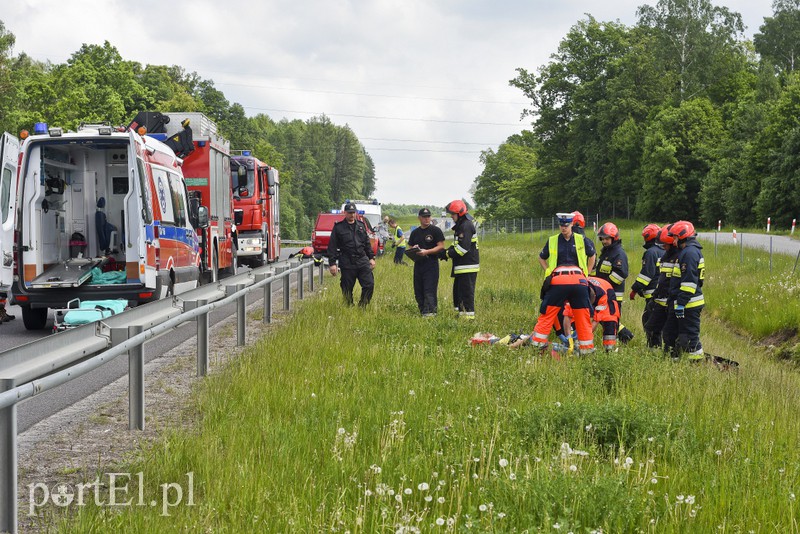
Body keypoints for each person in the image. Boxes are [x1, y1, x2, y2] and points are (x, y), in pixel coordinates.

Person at [529, 212, 597, 354]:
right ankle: (585, 349)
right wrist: (548, 271)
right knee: (580, 314)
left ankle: (538, 344)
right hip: (564, 280)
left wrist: (587, 273)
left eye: (566, 225)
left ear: (572, 224)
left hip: (573, 280)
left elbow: (592, 255)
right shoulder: (553, 240)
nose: (563, 228)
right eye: (561, 225)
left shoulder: (581, 239)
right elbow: (541, 257)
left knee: (549, 312)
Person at [661, 221, 705, 360]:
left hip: (688, 304)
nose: (673, 242)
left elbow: (689, 283)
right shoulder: (687, 252)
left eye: (675, 238)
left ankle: (696, 365)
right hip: (682, 302)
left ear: (682, 236)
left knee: (690, 338)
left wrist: (681, 303)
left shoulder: (689, 253)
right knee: (670, 333)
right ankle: (673, 360)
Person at [327, 202, 376, 307]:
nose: (352, 215)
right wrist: (332, 263)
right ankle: (349, 306)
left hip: (362, 260)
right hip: (347, 261)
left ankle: (362, 306)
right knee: (346, 288)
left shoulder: (361, 226)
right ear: (345, 213)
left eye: (353, 212)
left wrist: (371, 258)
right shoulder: (338, 227)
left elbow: (367, 244)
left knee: (369, 284)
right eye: (349, 213)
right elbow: (332, 246)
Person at [591, 222, 633, 343]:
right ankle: (625, 336)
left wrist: (603, 286)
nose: (604, 241)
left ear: (614, 238)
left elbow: (621, 274)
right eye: (602, 239)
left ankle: (618, 342)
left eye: (607, 238)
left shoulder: (618, 253)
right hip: (603, 294)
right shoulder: (607, 252)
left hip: (613, 295)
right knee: (604, 319)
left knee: (610, 322)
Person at [406, 208, 446, 316]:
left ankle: (430, 314)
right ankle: (422, 311)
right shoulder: (415, 232)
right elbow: (409, 247)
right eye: (424, 217)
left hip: (431, 263)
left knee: (429, 289)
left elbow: (441, 246)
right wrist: (414, 248)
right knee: (418, 290)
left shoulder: (435, 230)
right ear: (419, 218)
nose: (426, 219)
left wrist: (427, 251)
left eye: (428, 216)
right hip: (418, 264)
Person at [644, 225, 678, 348]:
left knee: (670, 334)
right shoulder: (665, 256)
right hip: (660, 300)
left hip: (671, 302)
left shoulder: (679, 257)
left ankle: (671, 355)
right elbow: (662, 279)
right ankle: (653, 354)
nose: (663, 247)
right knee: (651, 328)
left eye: (665, 244)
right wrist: (655, 295)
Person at [445, 200, 479, 319]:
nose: (451, 216)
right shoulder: (461, 226)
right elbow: (456, 245)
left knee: (466, 294)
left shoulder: (466, 225)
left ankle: (468, 320)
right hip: (461, 267)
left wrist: (447, 254)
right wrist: (444, 252)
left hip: (467, 267)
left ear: (459, 214)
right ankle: (461, 315)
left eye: (452, 214)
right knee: (459, 294)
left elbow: (462, 249)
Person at [629, 224, 664, 337]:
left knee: (649, 322)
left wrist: (635, 289)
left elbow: (647, 274)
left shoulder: (650, 252)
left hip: (652, 294)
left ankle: (653, 347)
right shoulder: (664, 251)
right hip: (662, 293)